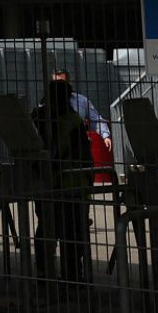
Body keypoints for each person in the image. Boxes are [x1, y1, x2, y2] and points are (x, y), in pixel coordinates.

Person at [34, 73, 98, 284]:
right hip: (72, 186)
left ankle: (44, 272)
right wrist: (89, 181)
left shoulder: (37, 118)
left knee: (46, 229)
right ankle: (72, 275)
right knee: (73, 234)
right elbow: (84, 158)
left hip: (45, 184)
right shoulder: (73, 121)